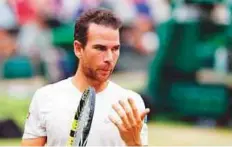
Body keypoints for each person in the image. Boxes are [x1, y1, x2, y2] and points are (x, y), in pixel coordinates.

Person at [21, 8, 150, 146]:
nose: (109, 58)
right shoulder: (45, 97)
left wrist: (134, 142)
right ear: (78, 49)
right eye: (100, 48)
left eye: (115, 49)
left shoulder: (131, 103)